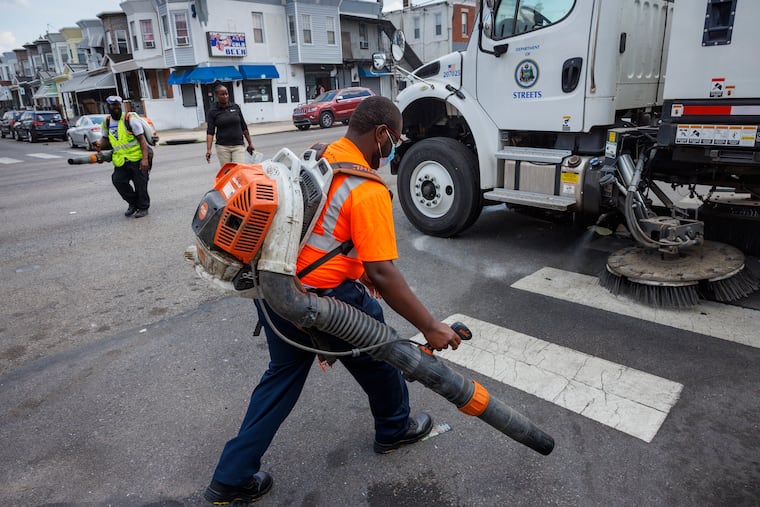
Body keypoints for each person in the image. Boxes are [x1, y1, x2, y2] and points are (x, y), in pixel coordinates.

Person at [204, 96, 462, 504]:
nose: (392, 148)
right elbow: (384, 272)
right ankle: (395, 428)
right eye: (393, 139)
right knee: (381, 351)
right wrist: (431, 326)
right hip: (322, 300)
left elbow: (323, 227)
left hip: (276, 286)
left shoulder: (320, 155)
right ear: (380, 134)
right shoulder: (366, 187)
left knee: (282, 378)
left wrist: (359, 272)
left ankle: (230, 477)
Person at [94, 95, 151, 218]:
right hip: (120, 160)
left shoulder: (129, 119)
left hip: (137, 158)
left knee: (140, 184)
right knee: (118, 181)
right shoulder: (107, 122)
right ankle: (133, 203)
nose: (116, 108)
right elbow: (105, 138)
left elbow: (142, 140)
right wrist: (99, 145)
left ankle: (143, 207)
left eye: (118, 105)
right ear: (108, 106)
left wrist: (145, 159)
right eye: (113, 106)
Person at [205, 84, 255, 166]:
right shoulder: (212, 111)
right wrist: (208, 150)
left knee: (238, 170)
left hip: (238, 145)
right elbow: (210, 132)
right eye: (222, 94)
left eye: (226, 94)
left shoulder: (235, 107)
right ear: (217, 96)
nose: (225, 96)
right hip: (223, 147)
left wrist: (250, 143)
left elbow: (243, 126)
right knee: (227, 173)